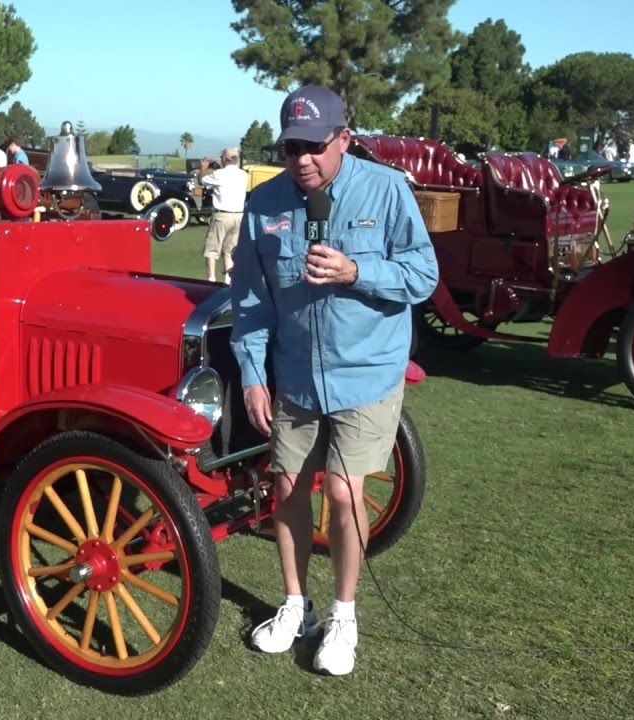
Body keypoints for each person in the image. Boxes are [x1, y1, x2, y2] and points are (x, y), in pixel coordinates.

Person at [229, 85, 439, 676]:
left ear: (343, 138)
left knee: (345, 493)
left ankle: (344, 615)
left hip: (366, 374)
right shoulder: (263, 203)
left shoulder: (387, 189)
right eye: (292, 146)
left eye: (315, 146)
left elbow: (423, 275)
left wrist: (356, 270)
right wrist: (252, 375)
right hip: (295, 376)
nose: (303, 159)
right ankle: (296, 604)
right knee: (287, 489)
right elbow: (250, 300)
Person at [198, 147, 249, 283]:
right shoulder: (243, 175)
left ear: (224, 159)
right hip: (238, 216)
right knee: (229, 250)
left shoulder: (219, 174)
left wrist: (203, 168)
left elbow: (202, 180)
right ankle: (228, 281)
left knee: (211, 250)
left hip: (222, 215)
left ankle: (211, 279)